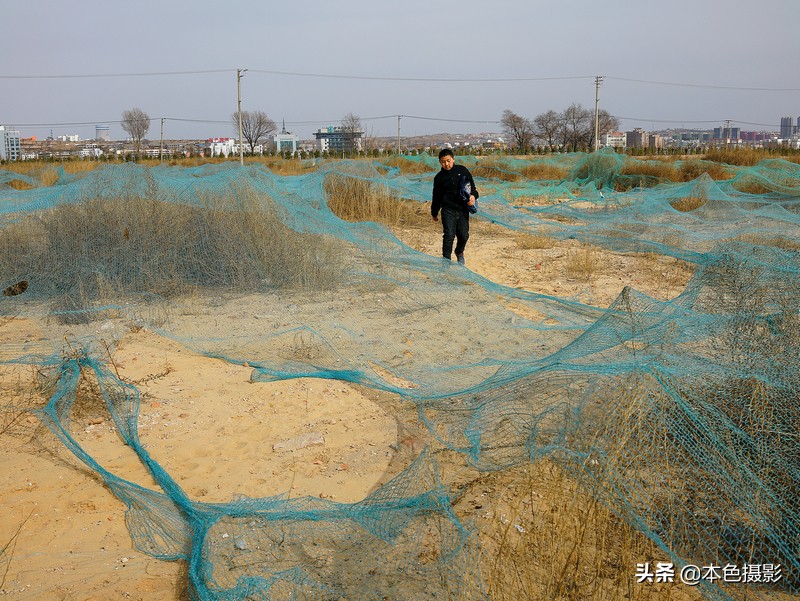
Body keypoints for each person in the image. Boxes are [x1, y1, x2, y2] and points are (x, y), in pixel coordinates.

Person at [431, 148, 478, 265]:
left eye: (448, 161)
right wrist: (434, 212)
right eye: (443, 162)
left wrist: (473, 196)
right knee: (449, 236)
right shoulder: (439, 178)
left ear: (453, 159)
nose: (446, 164)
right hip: (448, 210)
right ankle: (446, 262)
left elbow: (472, 187)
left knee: (464, 235)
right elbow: (436, 196)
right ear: (440, 162)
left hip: (463, 209)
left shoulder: (462, 170)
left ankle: (459, 252)